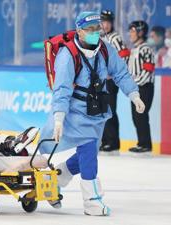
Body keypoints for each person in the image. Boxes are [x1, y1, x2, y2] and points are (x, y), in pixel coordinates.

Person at [38, 12, 145, 216]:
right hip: (76, 111)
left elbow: (121, 72)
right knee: (88, 151)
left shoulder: (105, 48)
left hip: (97, 110)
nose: (96, 32)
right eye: (90, 29)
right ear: (79, 31)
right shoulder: (68, 54)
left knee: (88, 153)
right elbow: (61, 89)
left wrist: (134, 94)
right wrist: (59, 117)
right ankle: (92, 201)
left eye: (98, 28)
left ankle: (56, 179)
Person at [99, 10, 130, 155]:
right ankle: (105, 140)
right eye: (103, 22)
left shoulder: (116, 38)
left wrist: (114, 73)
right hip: (100, 81)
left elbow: (124, 57)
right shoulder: (97, 38)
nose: (105, 25)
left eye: (108, 22)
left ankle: (113, 142)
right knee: (101, 111)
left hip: (110, 81)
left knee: (110, 110)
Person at [127, 21, 155, 155]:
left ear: (140, 32)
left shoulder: (145, 48)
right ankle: (142, 143)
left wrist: (135, 83)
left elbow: (148, 70)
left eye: (133, 31)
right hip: (136, 88)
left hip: (144, 87)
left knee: (141, 116)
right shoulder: (134, 49)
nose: (130, 34)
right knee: (136, 116)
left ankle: (145, 145)